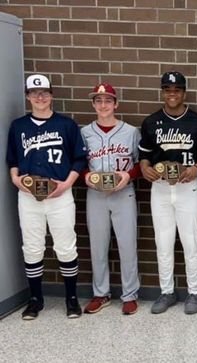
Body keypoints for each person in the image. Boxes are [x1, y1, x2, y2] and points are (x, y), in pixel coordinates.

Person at [6, 74, 87, 320]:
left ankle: (71, 299)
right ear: (28, 96)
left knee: (65, 246)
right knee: (32, 247)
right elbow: (12, 159)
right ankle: (35, 299)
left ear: (51, 95)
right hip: (29, 196)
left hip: (60, 194)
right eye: (34, 92)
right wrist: (15, 179)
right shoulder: (19, 126)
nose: (40, 97)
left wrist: (67, 185)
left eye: (44, 92)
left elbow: (79, 159)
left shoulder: (66, 125)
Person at [138, 71, 197, 315]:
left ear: (184, 92)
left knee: (190, 242)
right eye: (168, 90)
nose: (172, 94)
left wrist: (195, 168)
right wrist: (145, 169)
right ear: (163, 92)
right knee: (163, 242)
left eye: (177, 90)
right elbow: (144, 157)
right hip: (159, 188)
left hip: (187, 187)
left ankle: (194, 291)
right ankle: (167, 291)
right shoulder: (151, 122)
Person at [80, 83, 141, 315]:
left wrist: (128, 175)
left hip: (123, 194)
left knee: (127, 245)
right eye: (98, 100)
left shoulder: (131, 131)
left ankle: (130, 294)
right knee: (97, 246)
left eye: (108, 100)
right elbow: (78, 164)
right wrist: (87, 177)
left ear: (116, 103)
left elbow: (140, 164)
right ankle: (101, 293)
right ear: (93, 104)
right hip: (95, 195)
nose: (103, 105)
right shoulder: (85, 133)